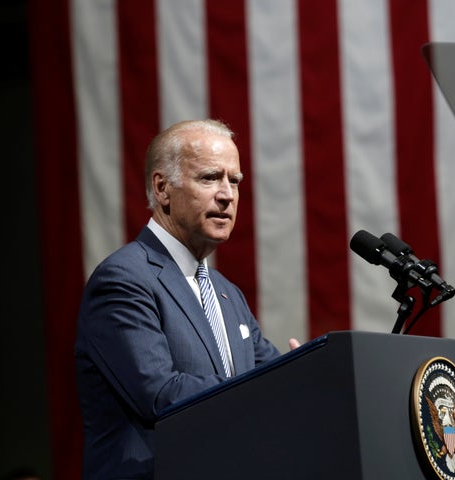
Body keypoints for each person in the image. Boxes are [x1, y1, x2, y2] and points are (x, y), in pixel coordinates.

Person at [75, 119, 300, 479]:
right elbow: (159, 393)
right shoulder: (123, 280)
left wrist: (304, 374)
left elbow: (269, 375)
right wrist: (271, 384)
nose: (227, 194)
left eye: (235, 181)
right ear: (162, 188)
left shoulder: (226, 293)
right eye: (210, 178)